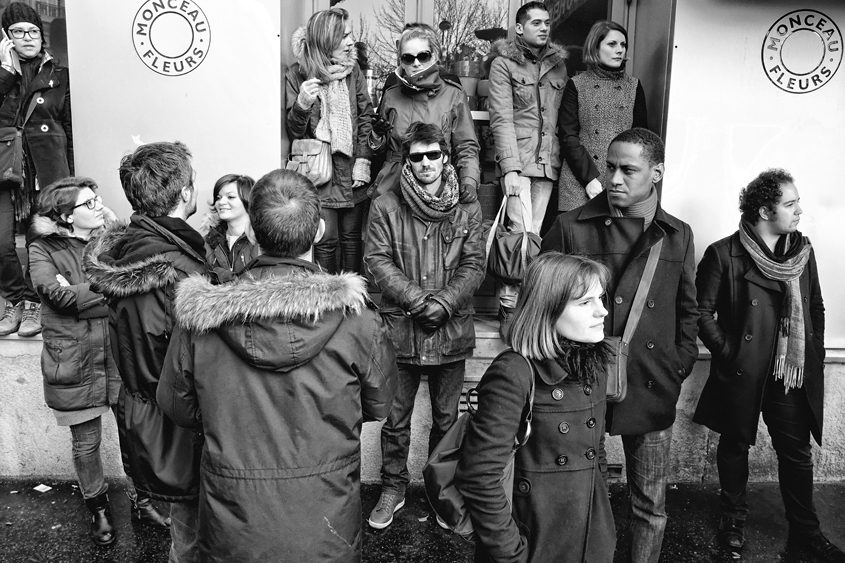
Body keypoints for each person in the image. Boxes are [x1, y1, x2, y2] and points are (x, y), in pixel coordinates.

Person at [157, 168, 398, 562]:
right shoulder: (359, 323)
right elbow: (379, 406)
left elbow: (179, 408)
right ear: (319, 230)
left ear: (252, 231)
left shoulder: (201, 320)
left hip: (235, 526)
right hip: (325, 526)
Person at [541, 128, 699, 563]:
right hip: (578, 384)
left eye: (628, 170)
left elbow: (689, 310)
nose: (614, 178)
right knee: (578, 495)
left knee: (650, 503)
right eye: (610, 167)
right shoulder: (570, 226)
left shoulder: (678, 234)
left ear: (657, 173)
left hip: (651, 381)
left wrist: (679, 363)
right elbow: (539, 304)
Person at [693, 170, 844, 562]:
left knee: (795, 453)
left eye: (797, 202)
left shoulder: (802, 252)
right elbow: (699, 311)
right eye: (790, 204)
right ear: (765, 210)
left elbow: (815, 306)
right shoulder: (724, 253)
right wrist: (728, 352)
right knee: (735, 445)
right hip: (744, 368)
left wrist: (814, 352)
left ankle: (806, 531)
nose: (799, 211)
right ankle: (733, 522)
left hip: (788, 371)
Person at [28, 177, 169, 546]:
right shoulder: (42, 249)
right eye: (89, 203)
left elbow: (133, 281)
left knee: (133, 435)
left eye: (98, 200)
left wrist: (91, 287)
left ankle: (144, 502)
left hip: (117, 354)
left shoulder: (114, 241)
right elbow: (58, 296)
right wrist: (110, 284)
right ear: (65, 215)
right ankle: (99, 509)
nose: (98, 206)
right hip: (74, 358)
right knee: (86, 444)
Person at [84, 142, 205, 563]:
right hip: (180, 429)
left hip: (155, 423)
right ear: (186, 192)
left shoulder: (135, 252)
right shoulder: (172, 269)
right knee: (194, 539)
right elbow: (174, 365)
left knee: (188, 535)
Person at [456, 253, 616, 562]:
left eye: (600, 298)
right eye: (585, 303)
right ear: (547, 310)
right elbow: (479, 477)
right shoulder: (514, 373)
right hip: (536, 541)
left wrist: (602, 525)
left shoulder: (592, 367)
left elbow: (596, 453)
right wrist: (513, 554)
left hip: (589, 539)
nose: (603, 311)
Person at [364, 122, 485, 529]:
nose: (427, 163)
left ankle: (442, 493)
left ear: (446, 156)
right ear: (407, 161)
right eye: (417, 156)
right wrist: (418, 302)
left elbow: (474, 264)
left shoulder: (467, 207)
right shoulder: (385, 205)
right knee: (395, 421)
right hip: (402, 331)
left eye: (434, 154)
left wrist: (446, 303)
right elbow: (377, 260)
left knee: (447, 423)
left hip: (450, 331)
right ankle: (393, 489)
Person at [486, 1, 568, 336]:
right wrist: (510, 169)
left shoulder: (559, 66)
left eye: (547, 22)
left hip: (547, 166)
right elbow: (501, 118)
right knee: (519, 240)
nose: (544, 27)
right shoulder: (503, 64)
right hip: (518, 165)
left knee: (533, 242)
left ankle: (526, 312)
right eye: (536, 22)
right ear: (519, 28)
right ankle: (509, 307)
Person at [0, 2, 73, 337]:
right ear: (6, 38)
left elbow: (70, 129)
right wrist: (5, 73)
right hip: (6, 172)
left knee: (38, 240)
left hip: (45, 172)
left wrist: (70, 181)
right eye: (18, 31)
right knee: (2, 243)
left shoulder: (58, 76)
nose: (27, 37)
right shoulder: (3, 76)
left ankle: (31, 304)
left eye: (32, 30)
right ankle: (12, 299)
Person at [285, 7, 374, 275]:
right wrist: (302, 103)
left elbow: (366, 117)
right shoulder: (298, 74)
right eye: (343, 36)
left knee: (352, 241)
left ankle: (355, 305)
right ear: (326, 40)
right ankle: (328, 303)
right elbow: (294, 133)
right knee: (326, 241)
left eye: (350, 35)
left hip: (351, 174)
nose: (350, 42)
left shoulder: (353, 71)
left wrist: (363, 160)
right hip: (320, 175)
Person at [367, 23, 480, 204]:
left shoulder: (453, 95)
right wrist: (376, 135)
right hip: (393, 187)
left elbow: (466, 146)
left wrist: (469, 180)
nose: (416, 62)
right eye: (408, 58)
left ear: (433, 55)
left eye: (423, 56)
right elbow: (380, 152)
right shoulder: (391, 95)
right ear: (401, 62)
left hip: (438, 186)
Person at [557, 20, 648, 212]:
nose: (620, 50)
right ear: (595, 48)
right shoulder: (577, 84)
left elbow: (641, 139)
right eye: (612, 44)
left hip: (621, 182)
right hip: (579, 182)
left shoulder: (634, 86)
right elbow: (568, 136)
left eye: (623, 45)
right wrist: (589, 178)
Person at [202, 173, 260, 280]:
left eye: (231, 197)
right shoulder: (207, 242)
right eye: (218, 198)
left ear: (248, 200)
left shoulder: (262, 242)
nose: (221, 202)